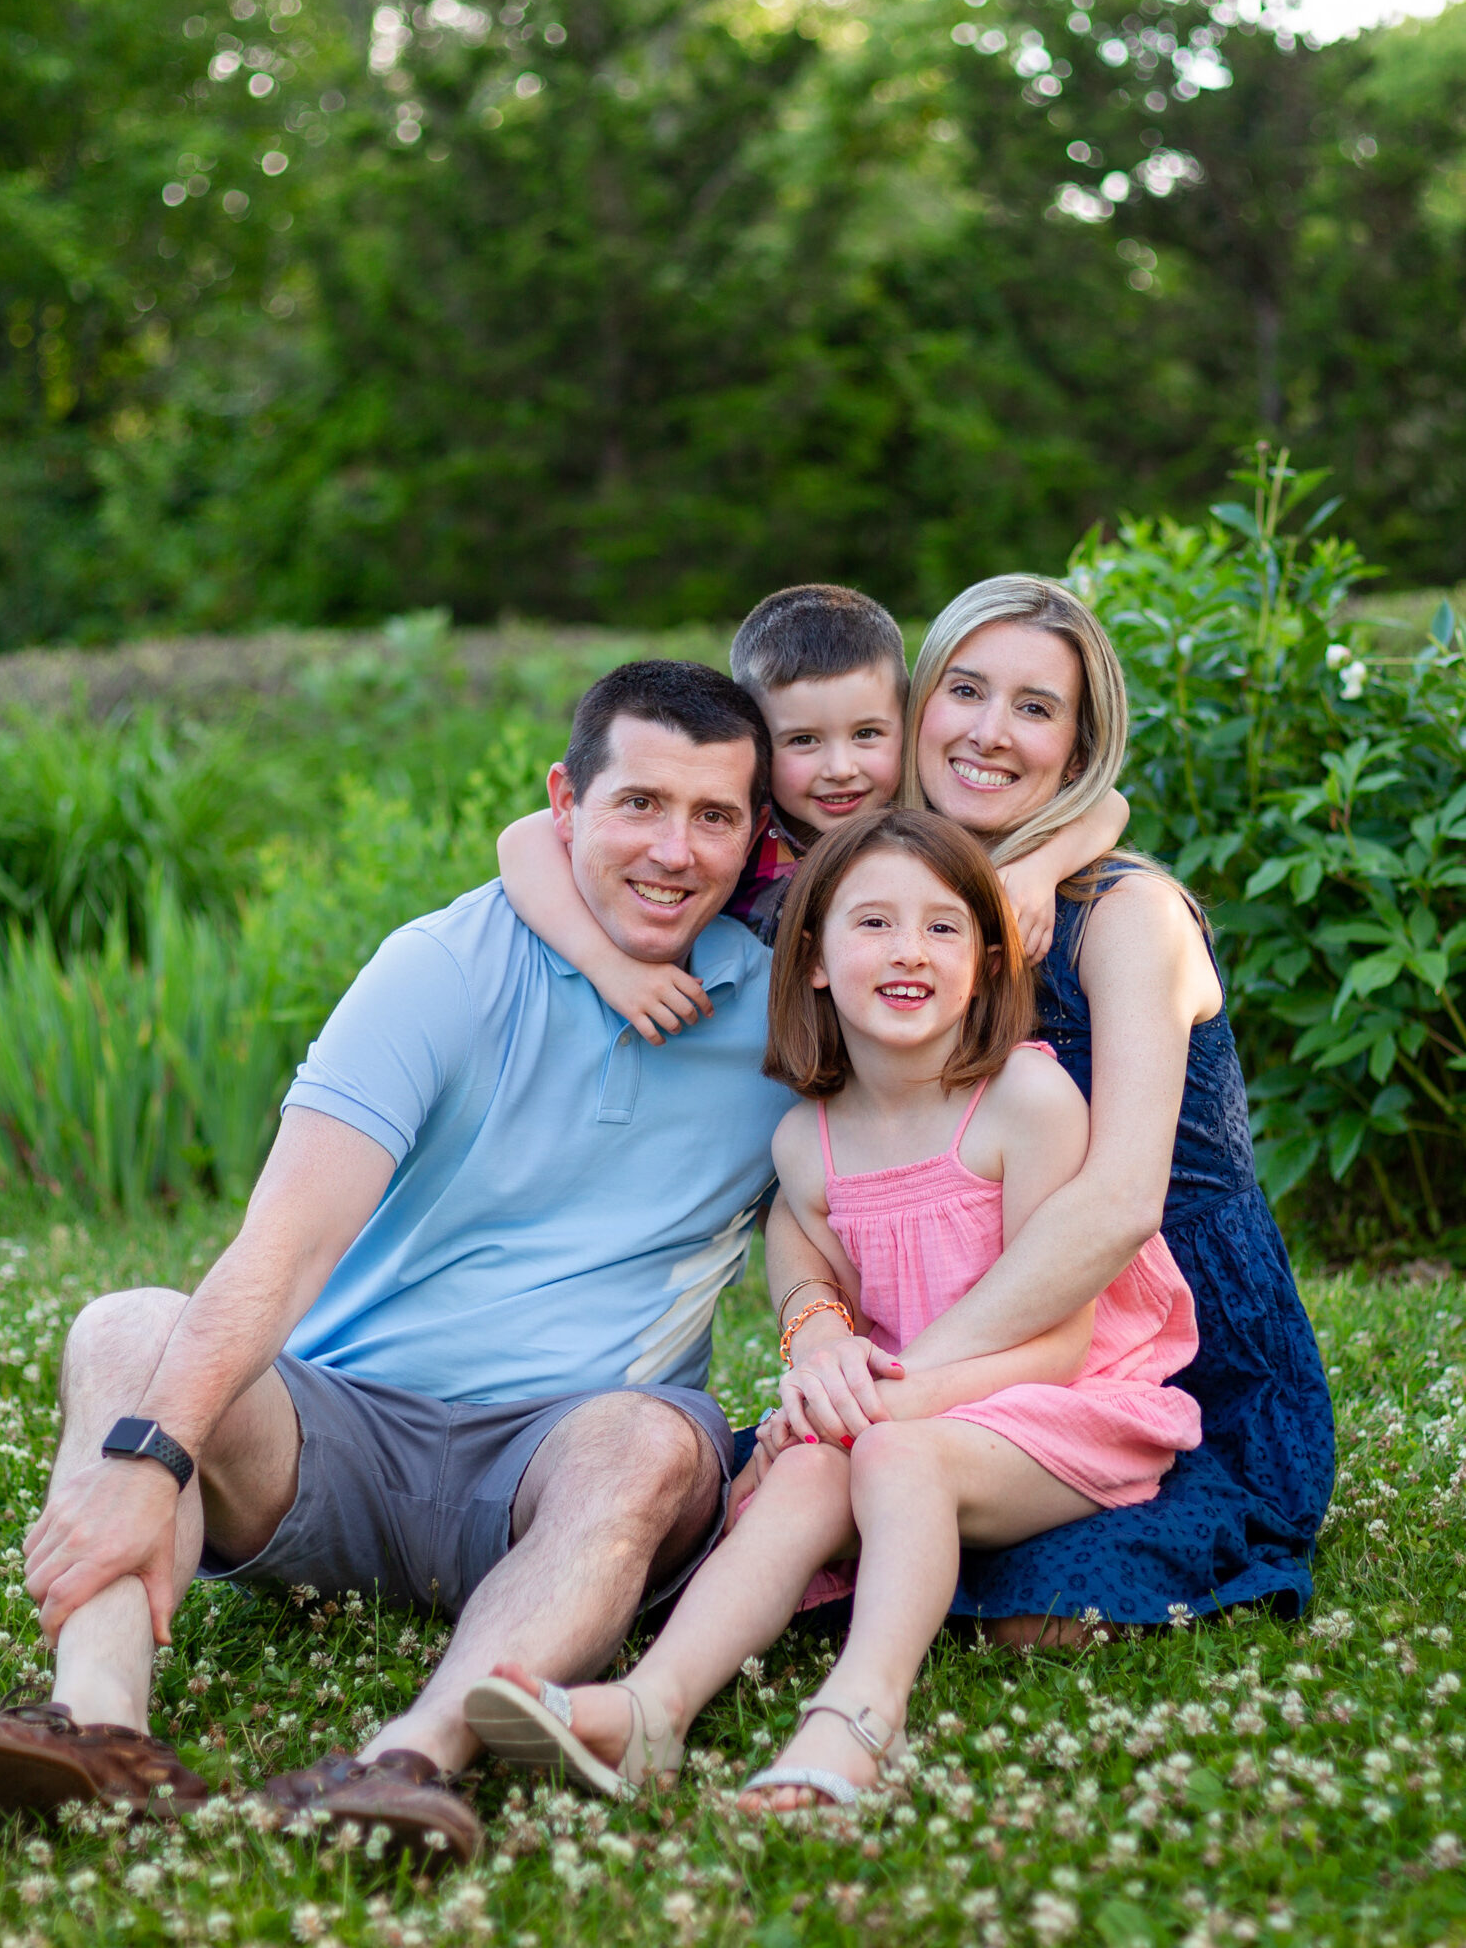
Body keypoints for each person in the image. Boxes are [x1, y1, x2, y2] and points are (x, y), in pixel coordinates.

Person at [0, 661, 796, 1859]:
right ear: (565, 801)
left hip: (561, 1464)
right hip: (334, 1436)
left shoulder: (788, 1014)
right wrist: (152, 1454)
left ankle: (411, 1756)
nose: (675, 849)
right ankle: (100, 1731)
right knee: (122, 1325)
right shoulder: (443, 965)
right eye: (640, 805)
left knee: (657, 1438)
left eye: (714, 816)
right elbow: (286, 1246)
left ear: (754, 835)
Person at [460, 809, 1200, 1807]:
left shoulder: (1025, 1099)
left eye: (943, 928)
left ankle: (857, 1715)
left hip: (1070, 1404)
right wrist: (825, 1374)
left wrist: (884, 1406)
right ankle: (652, 1705)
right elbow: (812, 1291)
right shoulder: (809, 1145)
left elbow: (1062, 1335)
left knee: (883, 1449)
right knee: (810, 1467)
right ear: (810, 958)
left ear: (986, 963)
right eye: (874, 924)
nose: (909, 951)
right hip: (908, 1413)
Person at [763, 576, 1335, 1639]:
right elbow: (817, 1183)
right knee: (792, 1524)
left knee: (1033, 1609)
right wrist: (819, 1334)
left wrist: (902, 1379)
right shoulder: (895, 905)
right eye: (966, 690)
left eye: (1036, 708)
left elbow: (1119, 1205)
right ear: (920, 706)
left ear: (1077, 752)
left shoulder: (1126, 916)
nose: (989, 731)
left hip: (1165, 1346)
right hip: (975, 1335)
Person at [496, 585, 1130, 1032]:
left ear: (908, 722)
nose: (840, 768)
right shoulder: (742, 827)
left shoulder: (916, 832)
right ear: (758, 746)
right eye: (802, 741)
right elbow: (526, 840)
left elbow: (1106, 804)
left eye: (867, 735)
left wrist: (1042, 868)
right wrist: (611, 969)